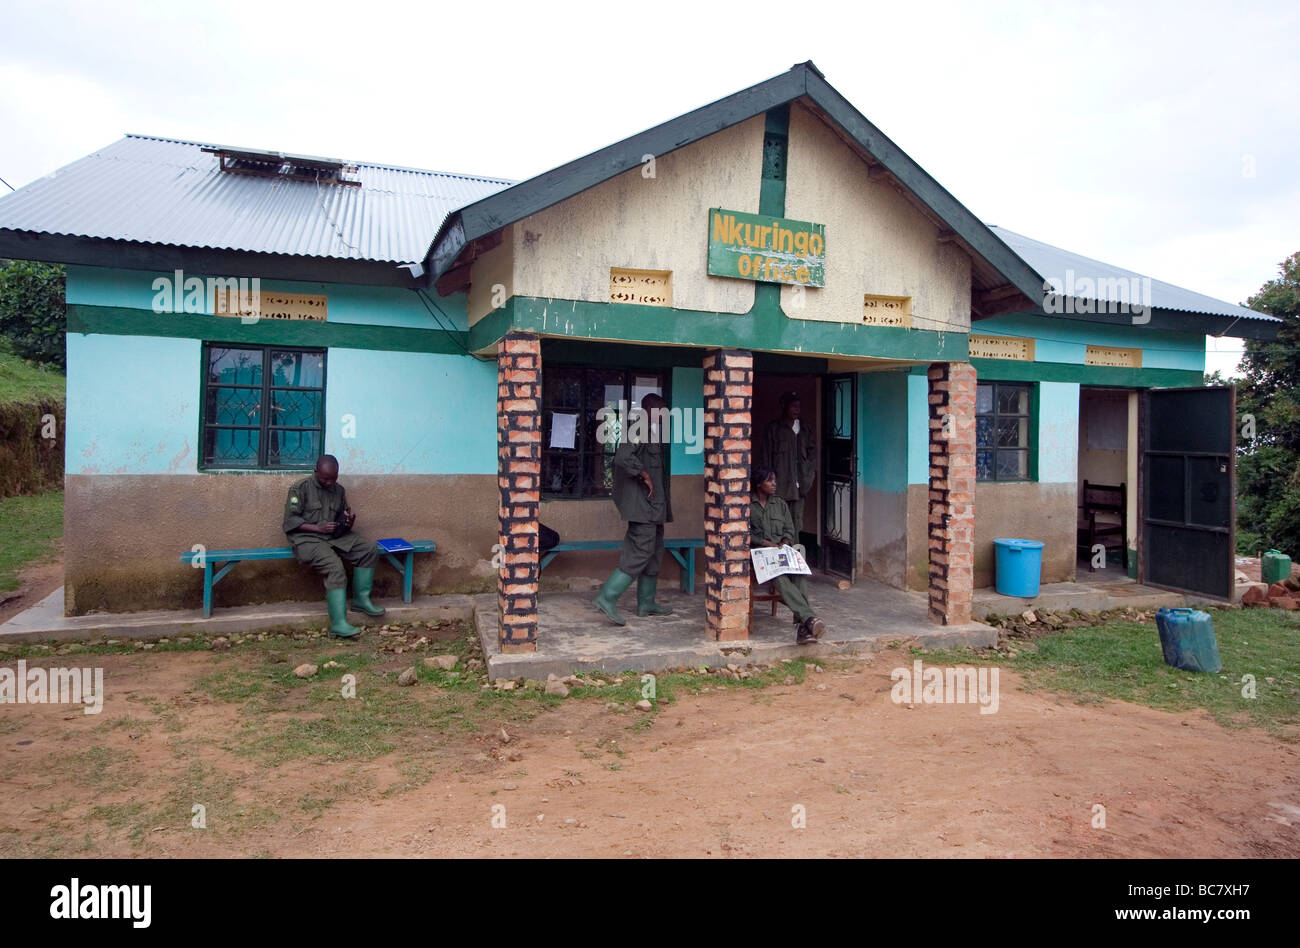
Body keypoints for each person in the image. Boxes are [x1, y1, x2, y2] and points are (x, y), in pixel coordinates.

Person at [282, 454, 385, 639]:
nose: (330, 482)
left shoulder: (338, 490)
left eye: (333, 478)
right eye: (325, 479)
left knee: (368, 549)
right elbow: (290, 522)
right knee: (334, 567)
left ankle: (361, 600)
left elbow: (339, 518)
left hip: (333, 537)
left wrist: (346, 523)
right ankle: (339, 624)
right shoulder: (300, 488)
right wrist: (318, 528)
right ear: (316, 472)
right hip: (306, 538)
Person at [593, 393, 674, 624]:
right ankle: (607, 597)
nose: (664, 415)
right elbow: (623, 458)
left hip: (654, 507)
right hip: (643, 508)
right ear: (650, 409)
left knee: (654, 552)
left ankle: (646, 603)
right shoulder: (639, 428)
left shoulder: (651, 431)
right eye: (661, 410)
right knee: (639, 551)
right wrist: (644, 474)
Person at [750, 465, 825, 644]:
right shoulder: (748, 506)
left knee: (799, 577)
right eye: (770, 481)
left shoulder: (780, 504)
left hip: (780, 552)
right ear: (759, 484)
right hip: (760, 554)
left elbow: (789, 529)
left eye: (775, 480)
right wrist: (766, 543)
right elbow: (745, 533)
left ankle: (805, 626)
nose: (774, 484)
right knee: (780, 578)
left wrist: (784, 543)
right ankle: (808, 620)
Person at [762, 391, 817, 541]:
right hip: (780, 488)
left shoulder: (805, 429)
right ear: (784, 407)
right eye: (793, 406)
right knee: (778, 523)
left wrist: (808, 478)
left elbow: (812, 457)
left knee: (796, 523)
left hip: (800, 488)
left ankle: (794, 557)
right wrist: (768, 483)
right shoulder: (774, 429)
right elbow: (766, 459)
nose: (796, 410)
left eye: (798, 406)